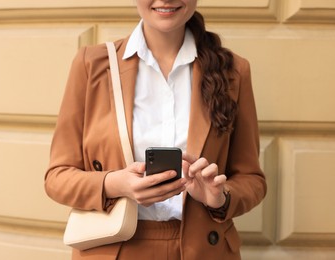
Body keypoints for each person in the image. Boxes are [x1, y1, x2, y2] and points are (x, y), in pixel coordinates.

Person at [45, 0, 266, 259]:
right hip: (115, 248)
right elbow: (56, 178)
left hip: (203, 248)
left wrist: (220, 197)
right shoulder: (92, 64)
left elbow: (252, 180)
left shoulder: (233, 71)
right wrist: (115, 184)